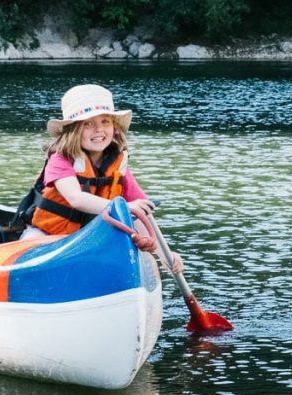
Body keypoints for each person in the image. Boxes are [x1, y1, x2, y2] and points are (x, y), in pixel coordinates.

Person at [20, 83, 183, 272]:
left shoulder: (118, 167)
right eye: (87, 123)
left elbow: (140, 212)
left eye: (105, 122)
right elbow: (76, 198)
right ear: (73, 130)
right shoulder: (60, 160)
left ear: (115, 128)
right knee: (30, 253)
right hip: (47, 234)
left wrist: (165, 255)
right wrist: (123, 206)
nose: (98, 130)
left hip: (90, 240)